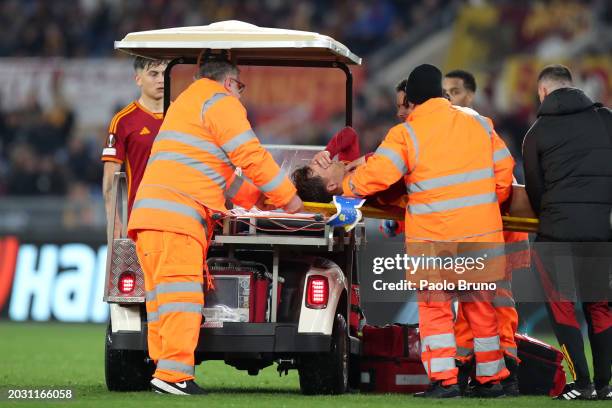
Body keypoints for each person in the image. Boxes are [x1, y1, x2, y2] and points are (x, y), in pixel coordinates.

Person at [127, 57, 303, 395]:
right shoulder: (220, 102)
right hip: (177, 221)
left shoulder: (186, 106)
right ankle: (174, 376)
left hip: (152, 219)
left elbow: (219, 180)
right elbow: (251, 155)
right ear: (229, 83)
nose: (241, 95)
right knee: (181, 299)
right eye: (240, 87)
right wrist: (289, 199)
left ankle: (163, 369)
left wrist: (263, 199)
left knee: (161, 301)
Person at [342, 64, 513, 398]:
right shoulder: (478, 122)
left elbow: (377, 176)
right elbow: (504, 172)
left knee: (435, 311)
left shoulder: (407, 133)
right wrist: (491, 204)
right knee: (479, 306)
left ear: (413, 98)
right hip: (480, 236)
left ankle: (445, 381)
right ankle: (492, 380)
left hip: (435, 240)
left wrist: (347, 185)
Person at [523, 64, 612, 401]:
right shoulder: (607, 120)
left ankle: (582, 383)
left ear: (544, 92)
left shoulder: (536, 133)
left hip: (557, 236)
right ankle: (605, 385)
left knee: (562, 307)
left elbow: (535, 191)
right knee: (601, 307)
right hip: (602, 234)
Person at [444, 69, 528, 396]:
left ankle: (499, 372)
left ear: (471, 96)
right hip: (484, 228)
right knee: (476, 303)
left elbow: (502, 178)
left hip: (490, 230)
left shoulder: (477, 129)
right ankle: (486, 372)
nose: (449, 98)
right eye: (444, 92)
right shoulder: (471, 131)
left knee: (495, 302)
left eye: (455, 91)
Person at [101, 57, 167, 241]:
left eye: (164, 73)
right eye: (153, 74)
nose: (161, 79)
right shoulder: (123, 121)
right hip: (141, 221)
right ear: (138, 79)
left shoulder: (182, 115)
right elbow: (110, 179)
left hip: (179, 220)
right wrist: (113, 220)